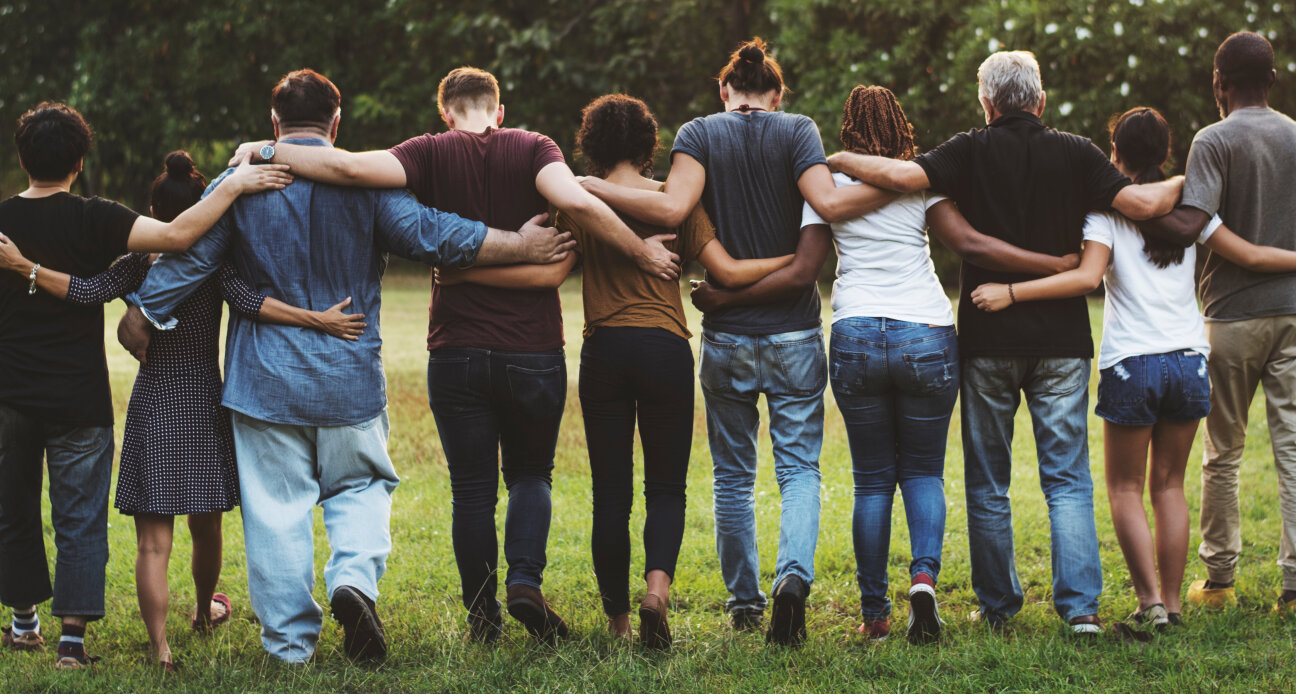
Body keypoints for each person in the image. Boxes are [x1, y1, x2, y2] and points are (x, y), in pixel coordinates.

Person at [117, 69, 572, 664]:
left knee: (276, 512)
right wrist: (519, 243)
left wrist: (144, 309)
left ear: (274, 123)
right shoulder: (368, 183)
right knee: (361, 486)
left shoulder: (242, 180)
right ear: (337, 123)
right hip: (349, 374)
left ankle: (289, 644)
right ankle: (352, 583)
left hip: (265, 382)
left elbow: (190, 253)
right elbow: (433, 234)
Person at [227, 67, 677, 645]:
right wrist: (640, 250)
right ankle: (524, 583)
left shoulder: (426, 152)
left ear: (445, 112)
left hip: (456, 349)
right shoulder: (536, 146)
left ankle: (481, 619)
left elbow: (342, 166)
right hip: (533, 349)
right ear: (500, 109)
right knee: (533, 475)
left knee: (470, 490)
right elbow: (576, 204)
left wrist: (264, 148)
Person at [828, 51, 1182, 635]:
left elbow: (901, 177)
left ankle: (998, 607)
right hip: (1064, 341)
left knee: (989, 479)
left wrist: (835, 156)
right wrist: (1208, 169)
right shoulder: (1079, 152)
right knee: (1067, 477)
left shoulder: (967, 148)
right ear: (1040, 101)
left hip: (988, 336)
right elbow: (1143, 204)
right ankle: (1081, 612)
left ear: (986, 103)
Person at [580, 38, 901, 646]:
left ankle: (745, 603)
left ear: (725, 91)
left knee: (731, 476)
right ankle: (793, 579)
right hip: (795, 331)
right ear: (776, 94)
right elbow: (827, 206)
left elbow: (672, 205)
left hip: (725, 337)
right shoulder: (800, 129)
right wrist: (906, 182)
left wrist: (586, 188)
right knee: (800, 468)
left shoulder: (698, 133)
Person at [439, 94, 788, 648]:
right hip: (666, 351)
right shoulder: (671, 200)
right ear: (650, 144)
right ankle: (656, 595)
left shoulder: (578, 201)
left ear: (591, 144)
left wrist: (460, 278)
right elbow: (724, 269)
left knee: (611, 493)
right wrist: (797, 260)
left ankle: (620, 623)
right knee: (667, 487)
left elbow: (547, 276)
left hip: (604, 353)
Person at [0, 150, 363, 671]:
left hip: (153, 405)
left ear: (153, 208)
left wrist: (25, 268)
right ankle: (200, 611)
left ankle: (159, 648)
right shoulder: (215, 265)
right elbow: (254, 303)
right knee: (206, 526)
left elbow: (85, 291)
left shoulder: (137, 265)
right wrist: (316, 320)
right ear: (204, 209)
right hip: (203, 403)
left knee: (152, 544)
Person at [973, 106, 1296, 630]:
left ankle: (1148, 604)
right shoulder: (1196, 215)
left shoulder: (1104, 214)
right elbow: (1254, 258)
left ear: (1115, 154)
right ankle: (1171, 602)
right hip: (1190, 362)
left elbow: (1083, 279)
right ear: (1167, 154)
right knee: (1169, 486)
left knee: (1125, 488)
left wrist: (1011, 293)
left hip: (1132, 366)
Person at [808, 85, 1092, 644]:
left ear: (848, 131)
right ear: (900, 127)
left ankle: (875, 615)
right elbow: (973, 244)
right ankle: (924, 582)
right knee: (922, 472)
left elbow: (809, 254)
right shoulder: (924, 183)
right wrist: (1050, 265)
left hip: (857, 329)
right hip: (926, 332)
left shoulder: (827, 186)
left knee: (870, 483)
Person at [1136, 31, 1296, 613]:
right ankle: (1294, 587)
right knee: (1293, 449)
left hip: (1231, 315)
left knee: (1222, 451)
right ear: (1273, 79)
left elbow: (1190, 224)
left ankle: (1220, 581)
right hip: (1295, 312)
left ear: (1218, 82)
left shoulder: (1213, 139)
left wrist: (1123, 200)